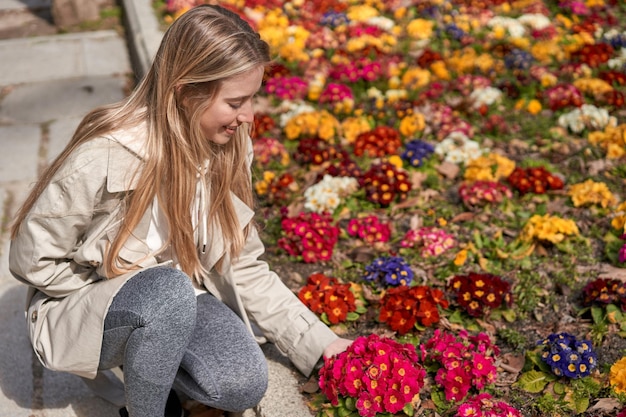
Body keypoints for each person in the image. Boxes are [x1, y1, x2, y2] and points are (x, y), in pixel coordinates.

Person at [9, 4, 352, 417]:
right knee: (163, 291)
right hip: (87, 308)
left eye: (252, 99)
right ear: (186, 92)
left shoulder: (228, 147)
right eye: (236, 102)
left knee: (241, 382)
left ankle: (153, 363)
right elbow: (33, 262)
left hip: (180, 301)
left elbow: (241, 263)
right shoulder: (101, 158)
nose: (248, 116)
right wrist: (117, 288)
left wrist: (320, 343)